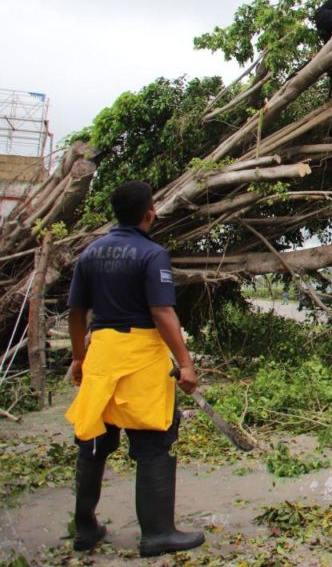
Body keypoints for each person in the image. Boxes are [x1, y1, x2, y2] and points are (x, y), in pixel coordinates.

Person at [64, 181, 204, 556]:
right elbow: (162, 312)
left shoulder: (90, 254)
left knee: (94, 440)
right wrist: (186, 364)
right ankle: (158, 534)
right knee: (154, 441)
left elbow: (76, 313)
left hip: (102, 355)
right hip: (141, 357)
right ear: (149, 214)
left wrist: (79, 358)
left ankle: (84, 528)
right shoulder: (152, 254)